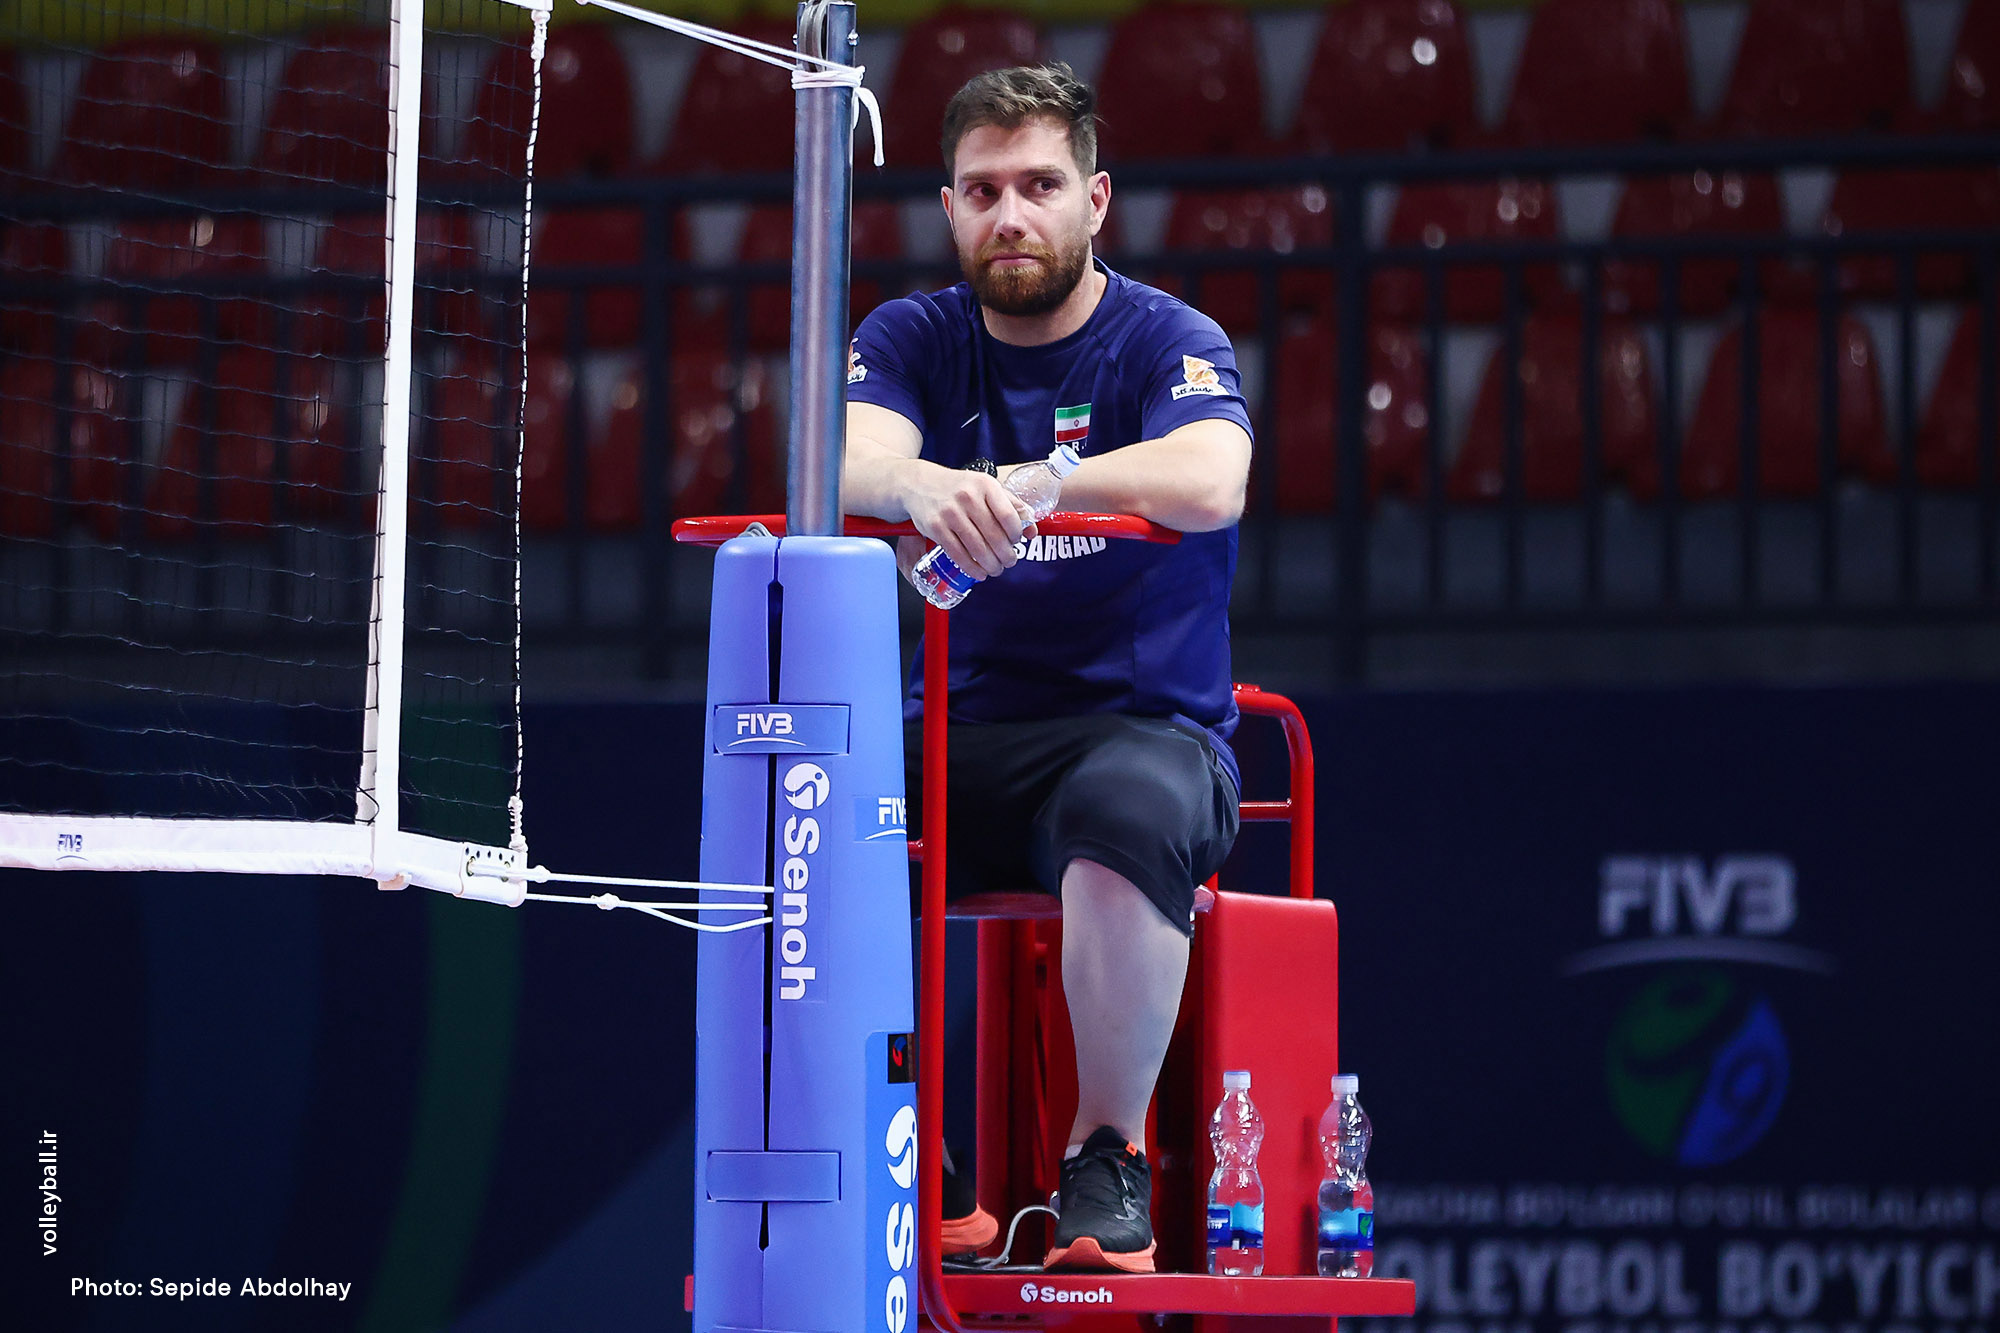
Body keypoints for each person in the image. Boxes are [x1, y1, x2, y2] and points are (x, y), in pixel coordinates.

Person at [842, 63, 1253, 1274]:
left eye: (1038, 185)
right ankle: (920, 1161)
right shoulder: (912, 336)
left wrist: (1039, 482)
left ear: (1094, 200)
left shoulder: (1168, 339)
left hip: (1144, 735)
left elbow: (1209, 478)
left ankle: (1104, 1156)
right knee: (806, 814)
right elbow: (843, 456)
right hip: (957, 735)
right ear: (949, 208)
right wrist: (918, 485)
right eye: (982, 191)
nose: (1009, 214)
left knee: (1124, 808)